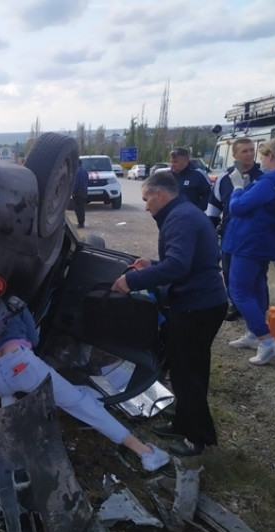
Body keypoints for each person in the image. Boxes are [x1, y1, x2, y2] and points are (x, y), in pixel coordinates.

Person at [110, 170, 227, 457]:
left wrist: (131, 281)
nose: (146, 205)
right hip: (198, 302)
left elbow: (178, 266)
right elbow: (186, 259)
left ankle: (196, 438)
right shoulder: (184, 213)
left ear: (160, 194)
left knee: (189, 373)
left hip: (196, 307)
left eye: (147, 198)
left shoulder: (181, 218)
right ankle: (183, 423)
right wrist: (152, 264)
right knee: (184, 367)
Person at [0, 303, 170, 472]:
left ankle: (13, 445)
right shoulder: (17, 305)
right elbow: (35, 341)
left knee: (8, 394)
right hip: (22, 367)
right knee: (81, 403)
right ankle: (146, 453)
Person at [226, 138, 275, 365]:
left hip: (249, 243)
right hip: (265, 243)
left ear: (270, 156)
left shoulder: (270, 181)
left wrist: (238, 188)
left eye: (261, 156)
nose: (260, 162)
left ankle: (266, 341)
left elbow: (237, 207)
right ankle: (253, 333)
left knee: (239, 291)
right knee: (257, 287)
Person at [206, 138, 264, 321]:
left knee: (256, 276)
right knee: (229, 272)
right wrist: (209, 232)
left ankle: (255, 309)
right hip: (230, 235)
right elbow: (214, 206)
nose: (249, 154)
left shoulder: (262, 176)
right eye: (244, 151)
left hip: (255, 237)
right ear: (235, 155)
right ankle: (235, 303)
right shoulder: (225, 177)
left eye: (251, 150)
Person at [73, 159, 88, 228]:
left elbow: (76, 183)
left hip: (78, 192)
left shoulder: (76, 172)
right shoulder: (85, 172)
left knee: (77, 208)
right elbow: (87, 181)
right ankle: (82, 222)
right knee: (82, 208)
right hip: (84, 192)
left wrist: (73, 192)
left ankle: (80, 223)